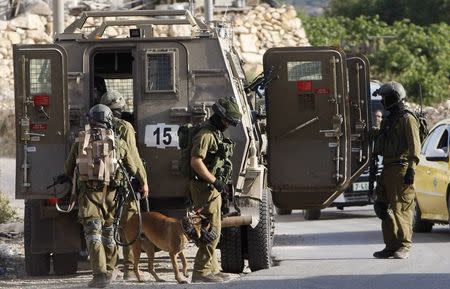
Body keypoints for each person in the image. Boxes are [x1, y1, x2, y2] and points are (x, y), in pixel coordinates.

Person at [65, 104, 148, 288]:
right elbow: (133, 168)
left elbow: (68, 168)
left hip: (88, 196)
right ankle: (110, 271)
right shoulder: (119, 142)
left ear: (91, 120)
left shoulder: (81, 140)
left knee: (93, 233)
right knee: (109, 233)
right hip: (111, 195)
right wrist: (142, 181)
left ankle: (99, 275)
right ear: (109, 120)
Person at [189, 97, 242, 283]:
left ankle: (212, 268)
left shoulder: (215, 133)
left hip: (211, 187)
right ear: (220, 117)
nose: (228, 125)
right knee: (210, 230)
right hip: (204, 187)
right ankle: (201, 272)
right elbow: (195, 161)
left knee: (216, 228)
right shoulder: (206, 135)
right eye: (228, 121)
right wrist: (214, 181)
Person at [99, 90, 149, 280]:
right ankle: (129, 269)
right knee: (128, 225)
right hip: (123, 184)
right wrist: (143, 180)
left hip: (102, 185)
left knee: (108, 226)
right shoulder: (125, 127)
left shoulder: (94, 127)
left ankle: (110, 270)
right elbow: (133, 156)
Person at [372, 81, 421, 259]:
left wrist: (411, 169)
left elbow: (415, 147)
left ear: (395, 98)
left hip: (401, 169)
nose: (384, 101)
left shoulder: (408, 118)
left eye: (386, 97)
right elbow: (380, 141)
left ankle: (404, 246)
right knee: (381, 207)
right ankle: (391, 246)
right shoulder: (389, 118)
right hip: (387, 168)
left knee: (402, 208)